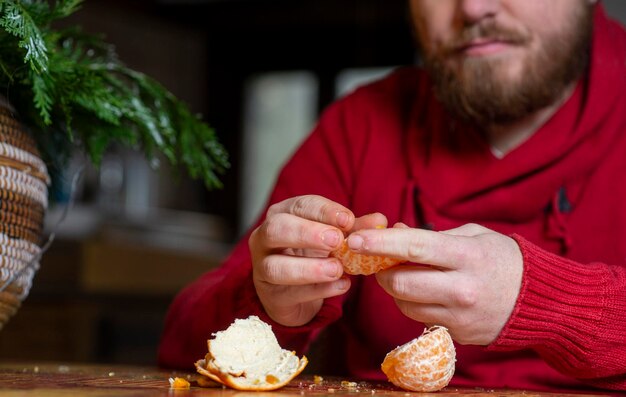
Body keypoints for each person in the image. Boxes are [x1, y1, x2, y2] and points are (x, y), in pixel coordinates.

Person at [158, 0, 626, 392]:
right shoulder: (360, 125)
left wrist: (553, 302)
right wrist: (266, 299)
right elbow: (182, 342)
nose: (473, 8)